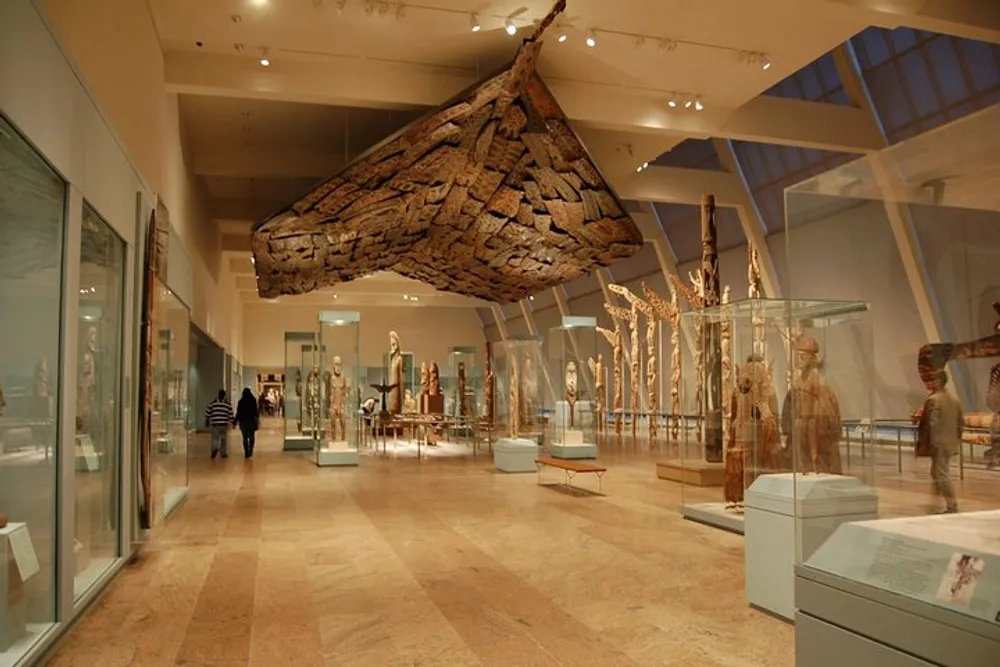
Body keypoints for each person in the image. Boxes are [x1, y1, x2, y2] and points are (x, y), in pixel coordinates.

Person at [916, 371, 963, 513]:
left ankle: (952, 505)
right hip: (949, 442)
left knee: (941, 473)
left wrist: (934, 443)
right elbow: (961, 422)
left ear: (938, 381)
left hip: (939, 444)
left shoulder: (934, 400)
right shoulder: (955, 400)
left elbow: (933, 424)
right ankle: (937, 500)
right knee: (936, 472)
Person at [205, 389, 234, 460]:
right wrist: (232, 422)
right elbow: (230, 414)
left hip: (215, 424)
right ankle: (223, 453)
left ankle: (215, 448)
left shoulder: (213, 403)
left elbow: (208, 412)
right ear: (224, 395)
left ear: (218, 394)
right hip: (224, 424)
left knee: (215, 438)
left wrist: (207, 421)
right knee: (223, 439)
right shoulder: (227, 404)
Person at [234, 388, 260, 459]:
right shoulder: (253, 400)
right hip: (251, 421)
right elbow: (256, 412)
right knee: (252, 436)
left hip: (243, 422)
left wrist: (235, 422)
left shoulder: (241, 402)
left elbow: (238, 413)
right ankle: (250, 450)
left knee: (245, 437)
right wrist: (258, 420)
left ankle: (246, 452)